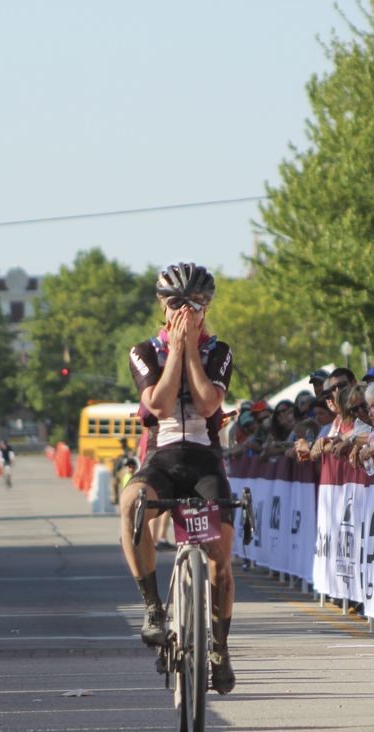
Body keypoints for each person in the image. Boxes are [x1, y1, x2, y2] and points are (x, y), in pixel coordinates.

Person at [119, 262, 238, 694]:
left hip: (206, 460)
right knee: (132, 504)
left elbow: (208, 407)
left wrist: (190, 350)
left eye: (195, 304)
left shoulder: (219, 351)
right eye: (175, 303)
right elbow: (161, 406)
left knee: (220, 562)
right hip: (162, 458)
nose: (185, 311)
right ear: (161, 305)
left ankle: (220, 648)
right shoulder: (145, 350)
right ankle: (153, 607)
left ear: (207, 308)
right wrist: (174, 349)